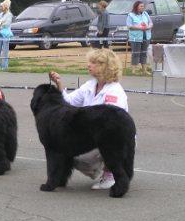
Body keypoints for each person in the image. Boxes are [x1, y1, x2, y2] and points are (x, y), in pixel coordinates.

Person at [49, 48, 128, 190]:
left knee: (104, 145)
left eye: (93, 63)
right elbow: (69, 101)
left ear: (104, 66)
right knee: (70, 152)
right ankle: (100, 167)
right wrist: (59, 83)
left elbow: (113, 125)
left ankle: (111, 175)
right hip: (92, 134)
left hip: (113, 136)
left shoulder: (114, 92)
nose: (88, 65)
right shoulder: (90, 85)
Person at [126, 0, 153, 75]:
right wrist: (139, 27)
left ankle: (144, 70)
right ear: (136, 7)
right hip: (135, 38)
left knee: (144, 53)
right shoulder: (130, 15)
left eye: (143, 6)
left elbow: (150, 23)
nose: (142, 7)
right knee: (136, 53)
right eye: (141, 6)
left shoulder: (145, 14)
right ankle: (134, 71)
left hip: (146, 36)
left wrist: (148, 26)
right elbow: (129, 26)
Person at [0, 0, 13, 70]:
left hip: (6, 34)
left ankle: (4, 67)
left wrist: (0, 23)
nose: (0, 8)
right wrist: (0, 23)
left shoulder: (9, 15)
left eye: (1, 7)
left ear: (5, 7)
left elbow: (6, 24)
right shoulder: (0, 14)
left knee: (5, 51)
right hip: (0, 33)